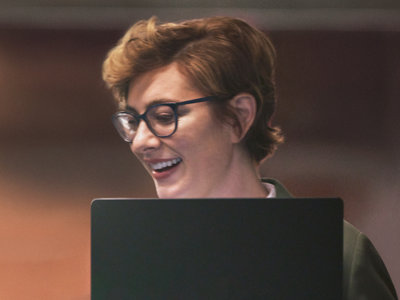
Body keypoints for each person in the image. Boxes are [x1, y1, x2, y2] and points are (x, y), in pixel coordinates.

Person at [102, 16, 397, 299]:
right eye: (133, 121)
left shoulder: (336, 251)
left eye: (164, 116)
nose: (140, 142)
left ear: (238, 117)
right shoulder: (136, 255)